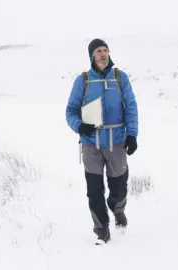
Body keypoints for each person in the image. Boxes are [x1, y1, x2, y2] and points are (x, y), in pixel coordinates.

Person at [66, 38, 138, 244]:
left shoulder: (120, 77)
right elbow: (70, 110)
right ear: (91, 56)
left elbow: (131, 107)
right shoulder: (83, 80)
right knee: (94, 190)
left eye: (105, 50)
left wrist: (132, 134)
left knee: (119, 187)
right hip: (91, 143)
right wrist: (79, 126)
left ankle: (117, 208)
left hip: (117, 141)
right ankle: (101, 228)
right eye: (98, 51)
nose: (103, 54)